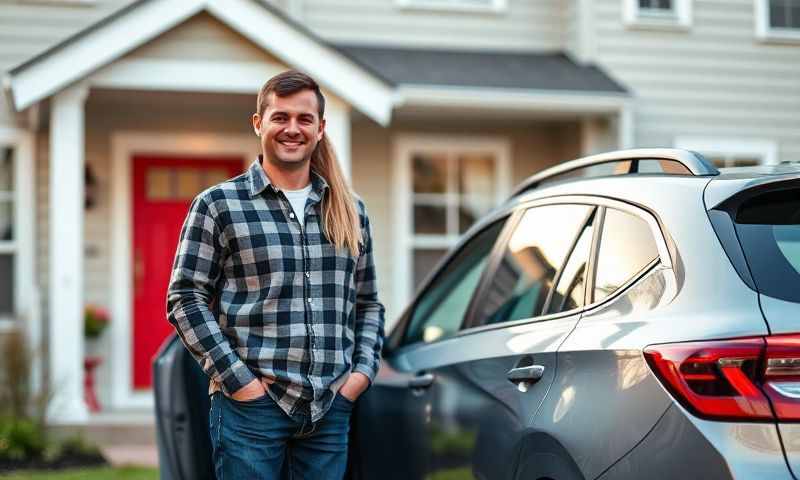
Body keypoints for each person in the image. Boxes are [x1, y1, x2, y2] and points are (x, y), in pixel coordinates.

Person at [166, 70, 385, 479]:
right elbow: (185, 300)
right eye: (280, 117)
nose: (292, 129)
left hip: (328, 409)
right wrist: (240, 384)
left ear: (320, 129)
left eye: (304, 119)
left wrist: (359, 377)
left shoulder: (350, 210)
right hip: (250, 411)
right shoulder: (218, 205)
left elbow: (368, 302)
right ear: (258, 124)